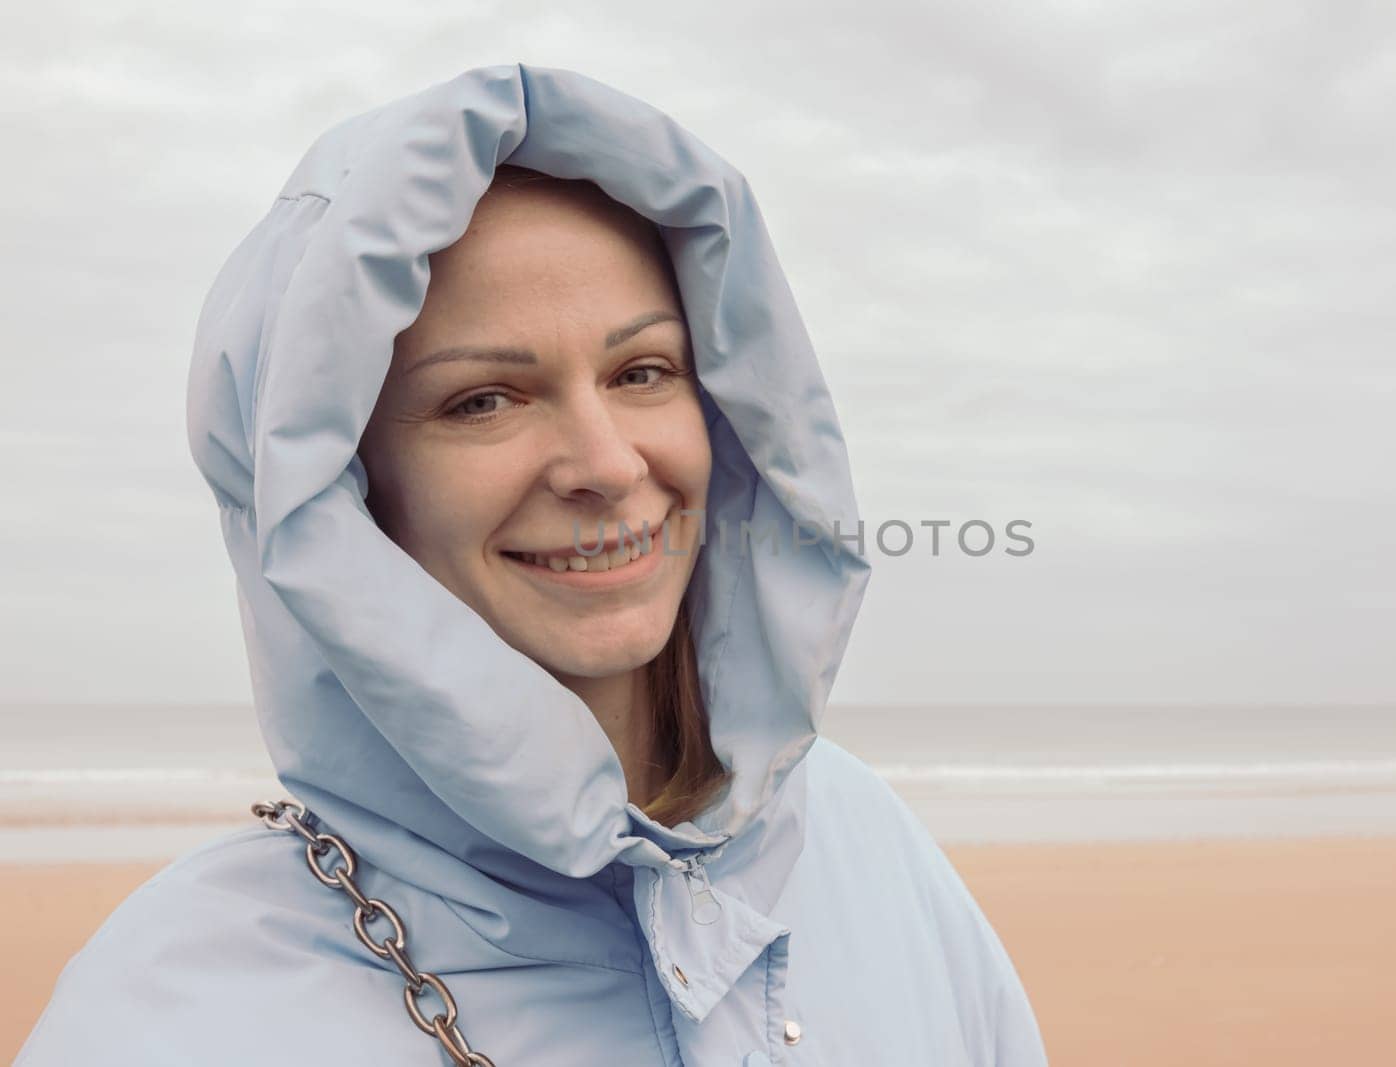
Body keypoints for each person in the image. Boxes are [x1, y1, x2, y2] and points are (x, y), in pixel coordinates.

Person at [18, 63, 1047, 1066]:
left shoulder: (867, 846)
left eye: (641, 370)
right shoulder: (177, 1016)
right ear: (337, 493)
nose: (607, 462)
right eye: (484, 399)